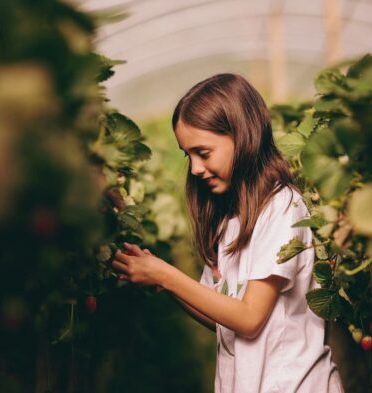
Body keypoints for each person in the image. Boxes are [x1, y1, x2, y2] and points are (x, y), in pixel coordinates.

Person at [112, 73, 343, 393]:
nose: (194, 169)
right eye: (187, 155)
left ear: (242, 137)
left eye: (203, 153)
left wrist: (166, 275)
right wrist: (164, 283)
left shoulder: (281, 208)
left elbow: (249, 318)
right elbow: (223, 319)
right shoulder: (228, 219)